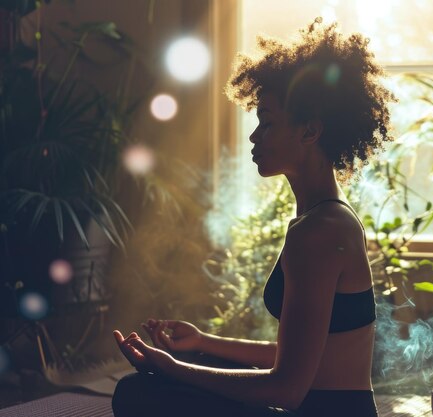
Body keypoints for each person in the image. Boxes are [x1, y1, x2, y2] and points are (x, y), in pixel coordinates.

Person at [112, 18, 395, 417]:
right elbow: (298, 354)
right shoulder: (327, 217)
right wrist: (203, 345)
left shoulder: (319, 231)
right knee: (180, 375)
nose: (254, 135)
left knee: (136, 393)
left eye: (267, 121)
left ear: (309, 131)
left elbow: (287, 388)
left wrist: (174, 368)